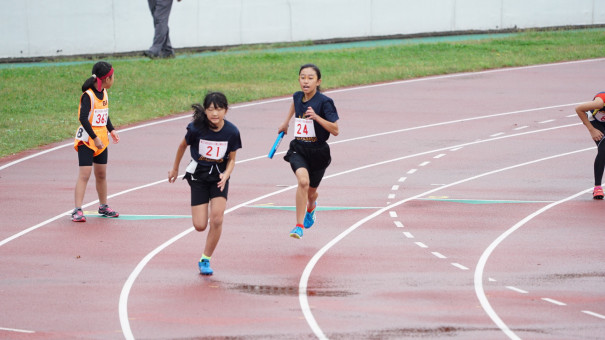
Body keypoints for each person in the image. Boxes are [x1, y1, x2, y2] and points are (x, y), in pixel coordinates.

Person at [168, 92, 242, 275]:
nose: (214, 114)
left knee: (217, 218)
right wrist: (175, 169)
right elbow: (181, 146)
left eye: (218, 109)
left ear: (226, 110)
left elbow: (232, 159)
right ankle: (204, 254)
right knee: (200, 225)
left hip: (219, 178)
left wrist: (226, 174)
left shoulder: (232, 132)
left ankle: (205, 259)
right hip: (199, 177)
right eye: (210, 110)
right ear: (206, 111)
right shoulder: (196, 129)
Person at [277, 64, 340, 239]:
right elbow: (295, 104)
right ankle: (298, 226)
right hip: (299, 149)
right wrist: (286, 122)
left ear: (318, 81)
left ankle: (311, 206)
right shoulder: (298, 96)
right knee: (303, 182)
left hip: (319, 152)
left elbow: (335, 130)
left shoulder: (325, 102)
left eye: (310, 78)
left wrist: (317, 117)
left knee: (311, 191)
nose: (306, 81)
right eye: (303, 77)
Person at [72, 61, 120, 222]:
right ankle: (77, 209)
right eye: (113, 77)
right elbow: (83, 118)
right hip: (87, 139)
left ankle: (103, 205)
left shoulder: (104, 93)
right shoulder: (88, 96)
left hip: (102, 139)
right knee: (85, 174)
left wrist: (111, 129)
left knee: (101, 174)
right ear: (106, 79)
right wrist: (94, 138)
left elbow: (104, 114)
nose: (114, 80)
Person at [575, 92, 605, 199]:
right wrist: (592, 130)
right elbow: (578, 109)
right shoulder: (600, 101)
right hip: (595, 122)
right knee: (603, 149)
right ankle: (597, 187)